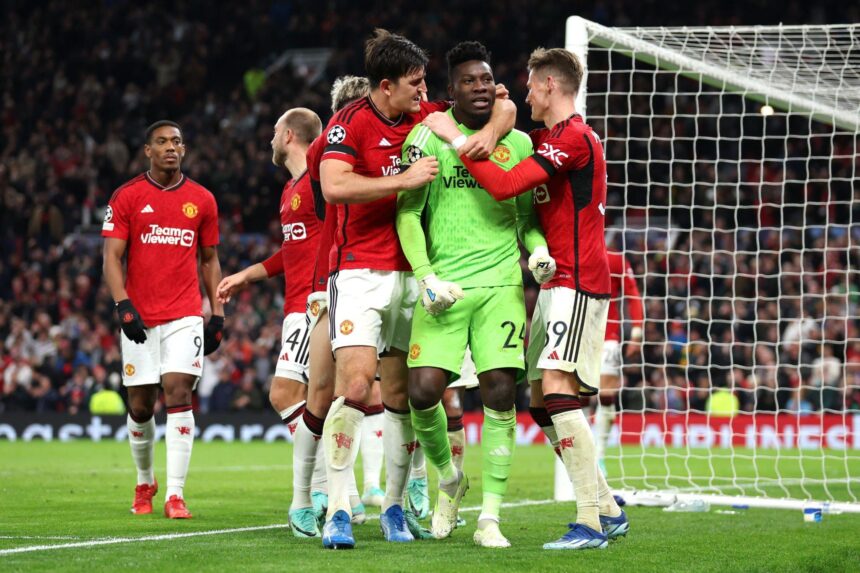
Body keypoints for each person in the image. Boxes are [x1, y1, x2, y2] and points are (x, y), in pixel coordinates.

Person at [421, 47, 627, 549]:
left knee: (558, 392)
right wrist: (494, 121)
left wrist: (458, 137)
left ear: (551, 86)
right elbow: (506, 112)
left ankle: (589, 522)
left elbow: (506, 184)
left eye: (531, 85)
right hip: (555, 284)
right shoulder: (550, 138)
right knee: (540, 403)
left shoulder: (574, 138)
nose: (523, 92)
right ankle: (608, 507)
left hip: (576, 280)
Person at [318, 29, 515, 549]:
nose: (424, 91)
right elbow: (334, 186)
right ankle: (339, 508)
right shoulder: (349, 123)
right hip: (359, 269)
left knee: (404, 395)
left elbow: (502, 105)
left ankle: (394, 508)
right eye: (415, 83)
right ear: (385, 87)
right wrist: (401, 182)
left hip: (414, 271)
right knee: (357, 386)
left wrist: (493, 130)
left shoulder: (422, 119)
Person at [397, 40, 550, 547]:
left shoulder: (519, 143)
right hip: (444, 286)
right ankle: (448, 480)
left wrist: (538, 250)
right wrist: (425, 275)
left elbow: (527, 219)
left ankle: (491, 518)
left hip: (500, 285)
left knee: (501, 393)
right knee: (422, 392)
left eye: (487, 79)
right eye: (469, 81)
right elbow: (407, 214)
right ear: (450, 91)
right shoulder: (425, 138)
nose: (481, 87)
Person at [102, 120, 224, 519]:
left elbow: (209, 260)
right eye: (162, 142)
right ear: (148, 151)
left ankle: (175, 494)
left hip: (185, 314)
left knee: (178, 392)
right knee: (140, 406)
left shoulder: (202, 200)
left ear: (183, 150)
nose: (171, 148)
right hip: (140, 315)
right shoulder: (127, 197)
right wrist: (123, 305)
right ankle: (144, 481)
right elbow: (111, 258)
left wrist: (216, 312)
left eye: (176, 142)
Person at [215, 107, 324, 537]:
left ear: (291, 135)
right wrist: (246, 275)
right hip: (296, 303)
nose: (270, 140)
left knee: (284, 394)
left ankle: (319, 491)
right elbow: (292, 251)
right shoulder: (290, 191)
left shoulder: (320, 179)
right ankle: (334, 495)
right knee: (319, 402)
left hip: (312, 304)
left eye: (275, 132)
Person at [593, 249, 643, 474]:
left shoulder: (614, 258)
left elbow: (632, 293)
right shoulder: (572, 253)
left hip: (608, 337)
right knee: (577, 399)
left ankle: (598, 456)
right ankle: (581, 457)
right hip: (578, 336)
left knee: (606, 395)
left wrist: (637, 333)